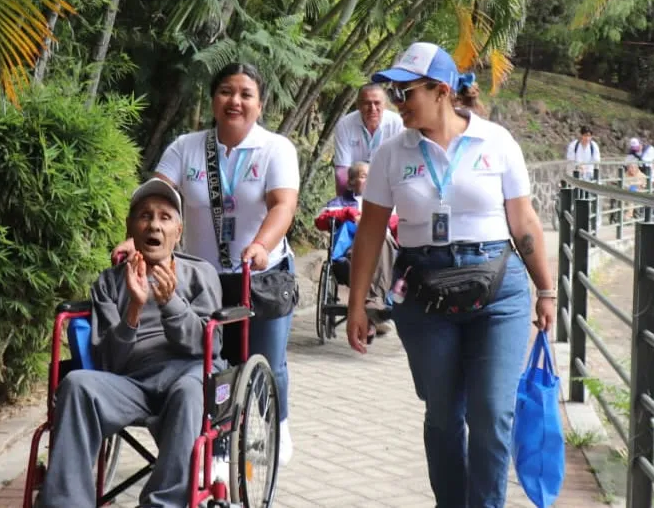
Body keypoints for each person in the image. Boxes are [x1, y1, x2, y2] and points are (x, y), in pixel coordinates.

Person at [345, 42, 556, 507]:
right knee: (443, 416)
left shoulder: (496, 142)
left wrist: (546, 289)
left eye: (406, 92)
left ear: (441, 91)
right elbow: (371, 233)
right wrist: (357, 305)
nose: (398, 102)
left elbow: (524, 222)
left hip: (498, 292)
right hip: (425, 296)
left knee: (492, 414)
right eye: (394, 92)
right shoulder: (391, 154)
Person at [112, 62, 300, 466]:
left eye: (246, 94)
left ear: (260, 104)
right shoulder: (187, 147)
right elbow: (157, 196)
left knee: (267, 359)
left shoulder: (275, 148)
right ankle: (218, 444)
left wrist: (261, 245)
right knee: (214, 363)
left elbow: (283, 205)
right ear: (214, 100)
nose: (235, 101)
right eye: (226, 92)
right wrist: (134, 238)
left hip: (260, 274)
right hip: (202, 278)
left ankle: (278, 422)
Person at [43, 178, 223, 508]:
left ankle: (162, 504)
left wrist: (171, 304)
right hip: (131, 382)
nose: (154, 225)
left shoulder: (200, 274)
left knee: (190, 390)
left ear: (178, 231)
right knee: (78, 384)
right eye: (144, 216)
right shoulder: (110, 283)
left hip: (186, 375)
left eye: (165, 217)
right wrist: (134, 310)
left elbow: (208, 346)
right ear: (130, 227)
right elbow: (109, 362)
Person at [314, 161, 398, 335]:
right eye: (364, 176)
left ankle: (372, 308)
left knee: (382, 237)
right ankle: (374, 309)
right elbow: (320, 221)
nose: (369, 180)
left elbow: (402, 225)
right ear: (351, 182)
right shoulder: (341, 202)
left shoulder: (388, 205)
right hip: (353, 254)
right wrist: (349, 213)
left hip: (384, 254)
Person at [332, 83, 405, 195]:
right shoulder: (344, 125)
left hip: (388, 183)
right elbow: (342, 171)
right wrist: (345, 201)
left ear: (385, 104)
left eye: (377, 103)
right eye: (367, 103)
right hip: (355, 185)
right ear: (358, 105)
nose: (372, 108)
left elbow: (401, 165)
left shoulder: (398, 123)